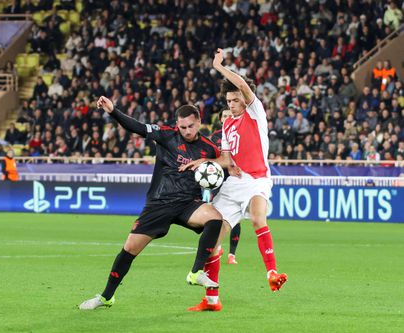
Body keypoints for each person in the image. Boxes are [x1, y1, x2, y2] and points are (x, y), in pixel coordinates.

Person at [79, 96, 224, 310]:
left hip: (188, 203)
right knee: (129, 249)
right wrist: (113, 110)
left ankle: (196, 272)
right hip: (159, 203)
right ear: (177, 125)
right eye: (182, 126)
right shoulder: (166, 135)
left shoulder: (209, 148)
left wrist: (212, 164)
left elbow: (224, 167)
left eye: (191, 126)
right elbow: (137, 127)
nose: (187, 130)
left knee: (215, 218)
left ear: (200, 122)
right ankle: (106, 297)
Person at [181, 49, 288, 311]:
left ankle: (272, 273)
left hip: (257, 179)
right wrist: (204, 163)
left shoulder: (256, 113)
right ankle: (212, 300)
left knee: (258, 216)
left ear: (245, 99)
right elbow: (226, 160)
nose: (231, 103)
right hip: (233, 183)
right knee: (213, 238)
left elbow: (241, 83)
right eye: (228, 100)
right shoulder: (228, 125)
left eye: (235, 99)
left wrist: (218, 65)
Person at [210, 110, 241, 265]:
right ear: (221, 119)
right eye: (224, 116)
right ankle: (218, 247)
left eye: (230, 115)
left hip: (234, 179)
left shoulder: (239, 133)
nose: (227, 118)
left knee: (236, 217)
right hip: (218, 179)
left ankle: (232, 255)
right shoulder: (215, 136)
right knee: (216, 215)